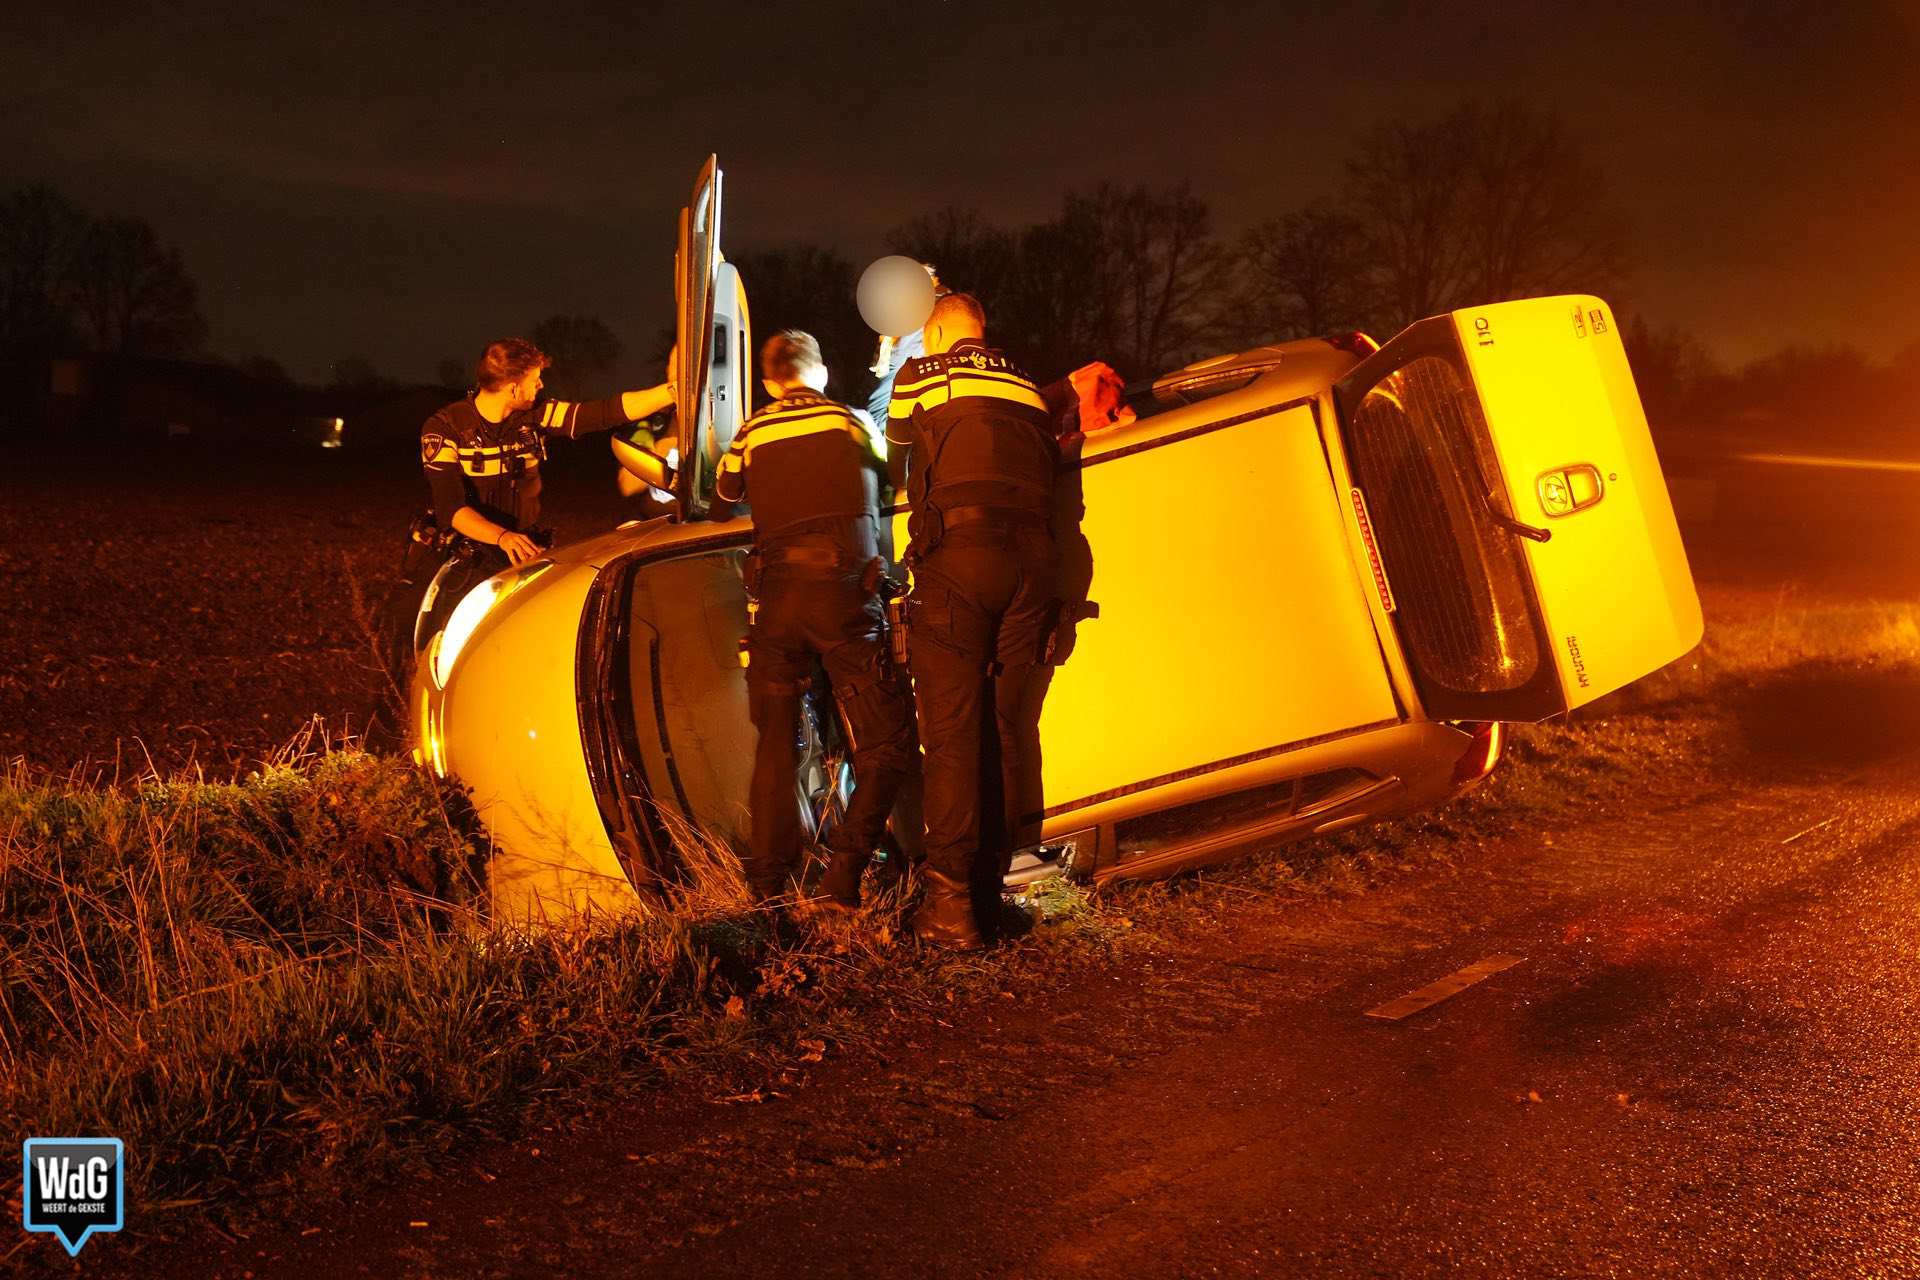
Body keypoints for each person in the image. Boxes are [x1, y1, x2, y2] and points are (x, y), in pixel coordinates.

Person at [710, 330, 917, 907]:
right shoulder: (853, 422)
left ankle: (767, 890)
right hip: (845, 600)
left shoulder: (750, 432)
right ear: (820, 373)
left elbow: (721, 500)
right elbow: (893, 477)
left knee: (775, 746)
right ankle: (844, 876)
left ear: (770, 383)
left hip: (778, 603)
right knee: (886, 744)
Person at [886, 293, 1059, 949]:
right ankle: (1001, 891)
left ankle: (950, 907)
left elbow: (895, 448)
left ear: (935, 333)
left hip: (961, 562)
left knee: (953, 735)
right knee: (1009, 728)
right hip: (1034, 568)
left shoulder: (924, 374)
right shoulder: (1028, 384)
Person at [419, 337, 675, 566]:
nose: (541, 385)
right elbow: (451, 508)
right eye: (534, 380)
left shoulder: (537, 414)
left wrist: (672, 391)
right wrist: (503, 537)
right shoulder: (444, 428)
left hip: (523, 549)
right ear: (513, 389)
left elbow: (605, 412)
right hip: (471, 557)